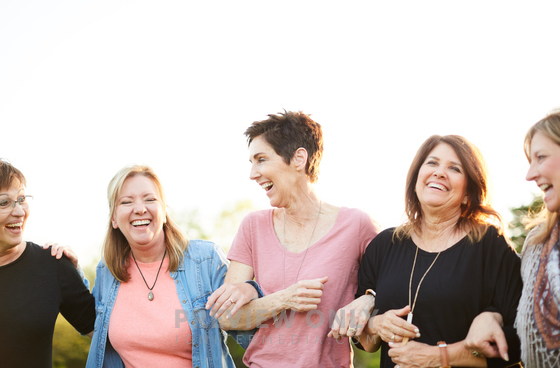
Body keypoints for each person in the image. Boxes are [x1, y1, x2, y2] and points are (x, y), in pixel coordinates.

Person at [205, 110, 381, 367]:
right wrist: (284, 299)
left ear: (299, 158)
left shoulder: (357, 226)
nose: (253, 173)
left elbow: (395, 285)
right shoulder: (253, 226)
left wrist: (370, 298)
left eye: (261, 159)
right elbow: (228, 318)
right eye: (252, 163)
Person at [335, 135, 523, 367]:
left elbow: (520, 342)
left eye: (455, 168)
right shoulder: (384, 245)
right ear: (416, 179)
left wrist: (438, 357)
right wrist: (376, 325)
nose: (439, 172)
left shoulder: (490, 246)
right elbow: (367, 343)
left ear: (468, 193)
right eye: (432, 163)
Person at [85, 164, 257, 368]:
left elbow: (253, 335)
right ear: (114, 218)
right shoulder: (107, 271)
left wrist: (251, 290)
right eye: (126, 202)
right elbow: (87, 320)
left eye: (150, 199)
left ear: (164, 212)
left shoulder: (205, 260)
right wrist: (65, 266)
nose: (140, 209)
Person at [465, 109, 560, 367]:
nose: (530, 175)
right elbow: (513, 308)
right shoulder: (535, 243)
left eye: (541, 157)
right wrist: (491, 315)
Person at [0, 158, 95, 368]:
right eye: (4, 202)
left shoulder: (54, 265)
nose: (20, 212)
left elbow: (108, 334)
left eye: (21, 199)